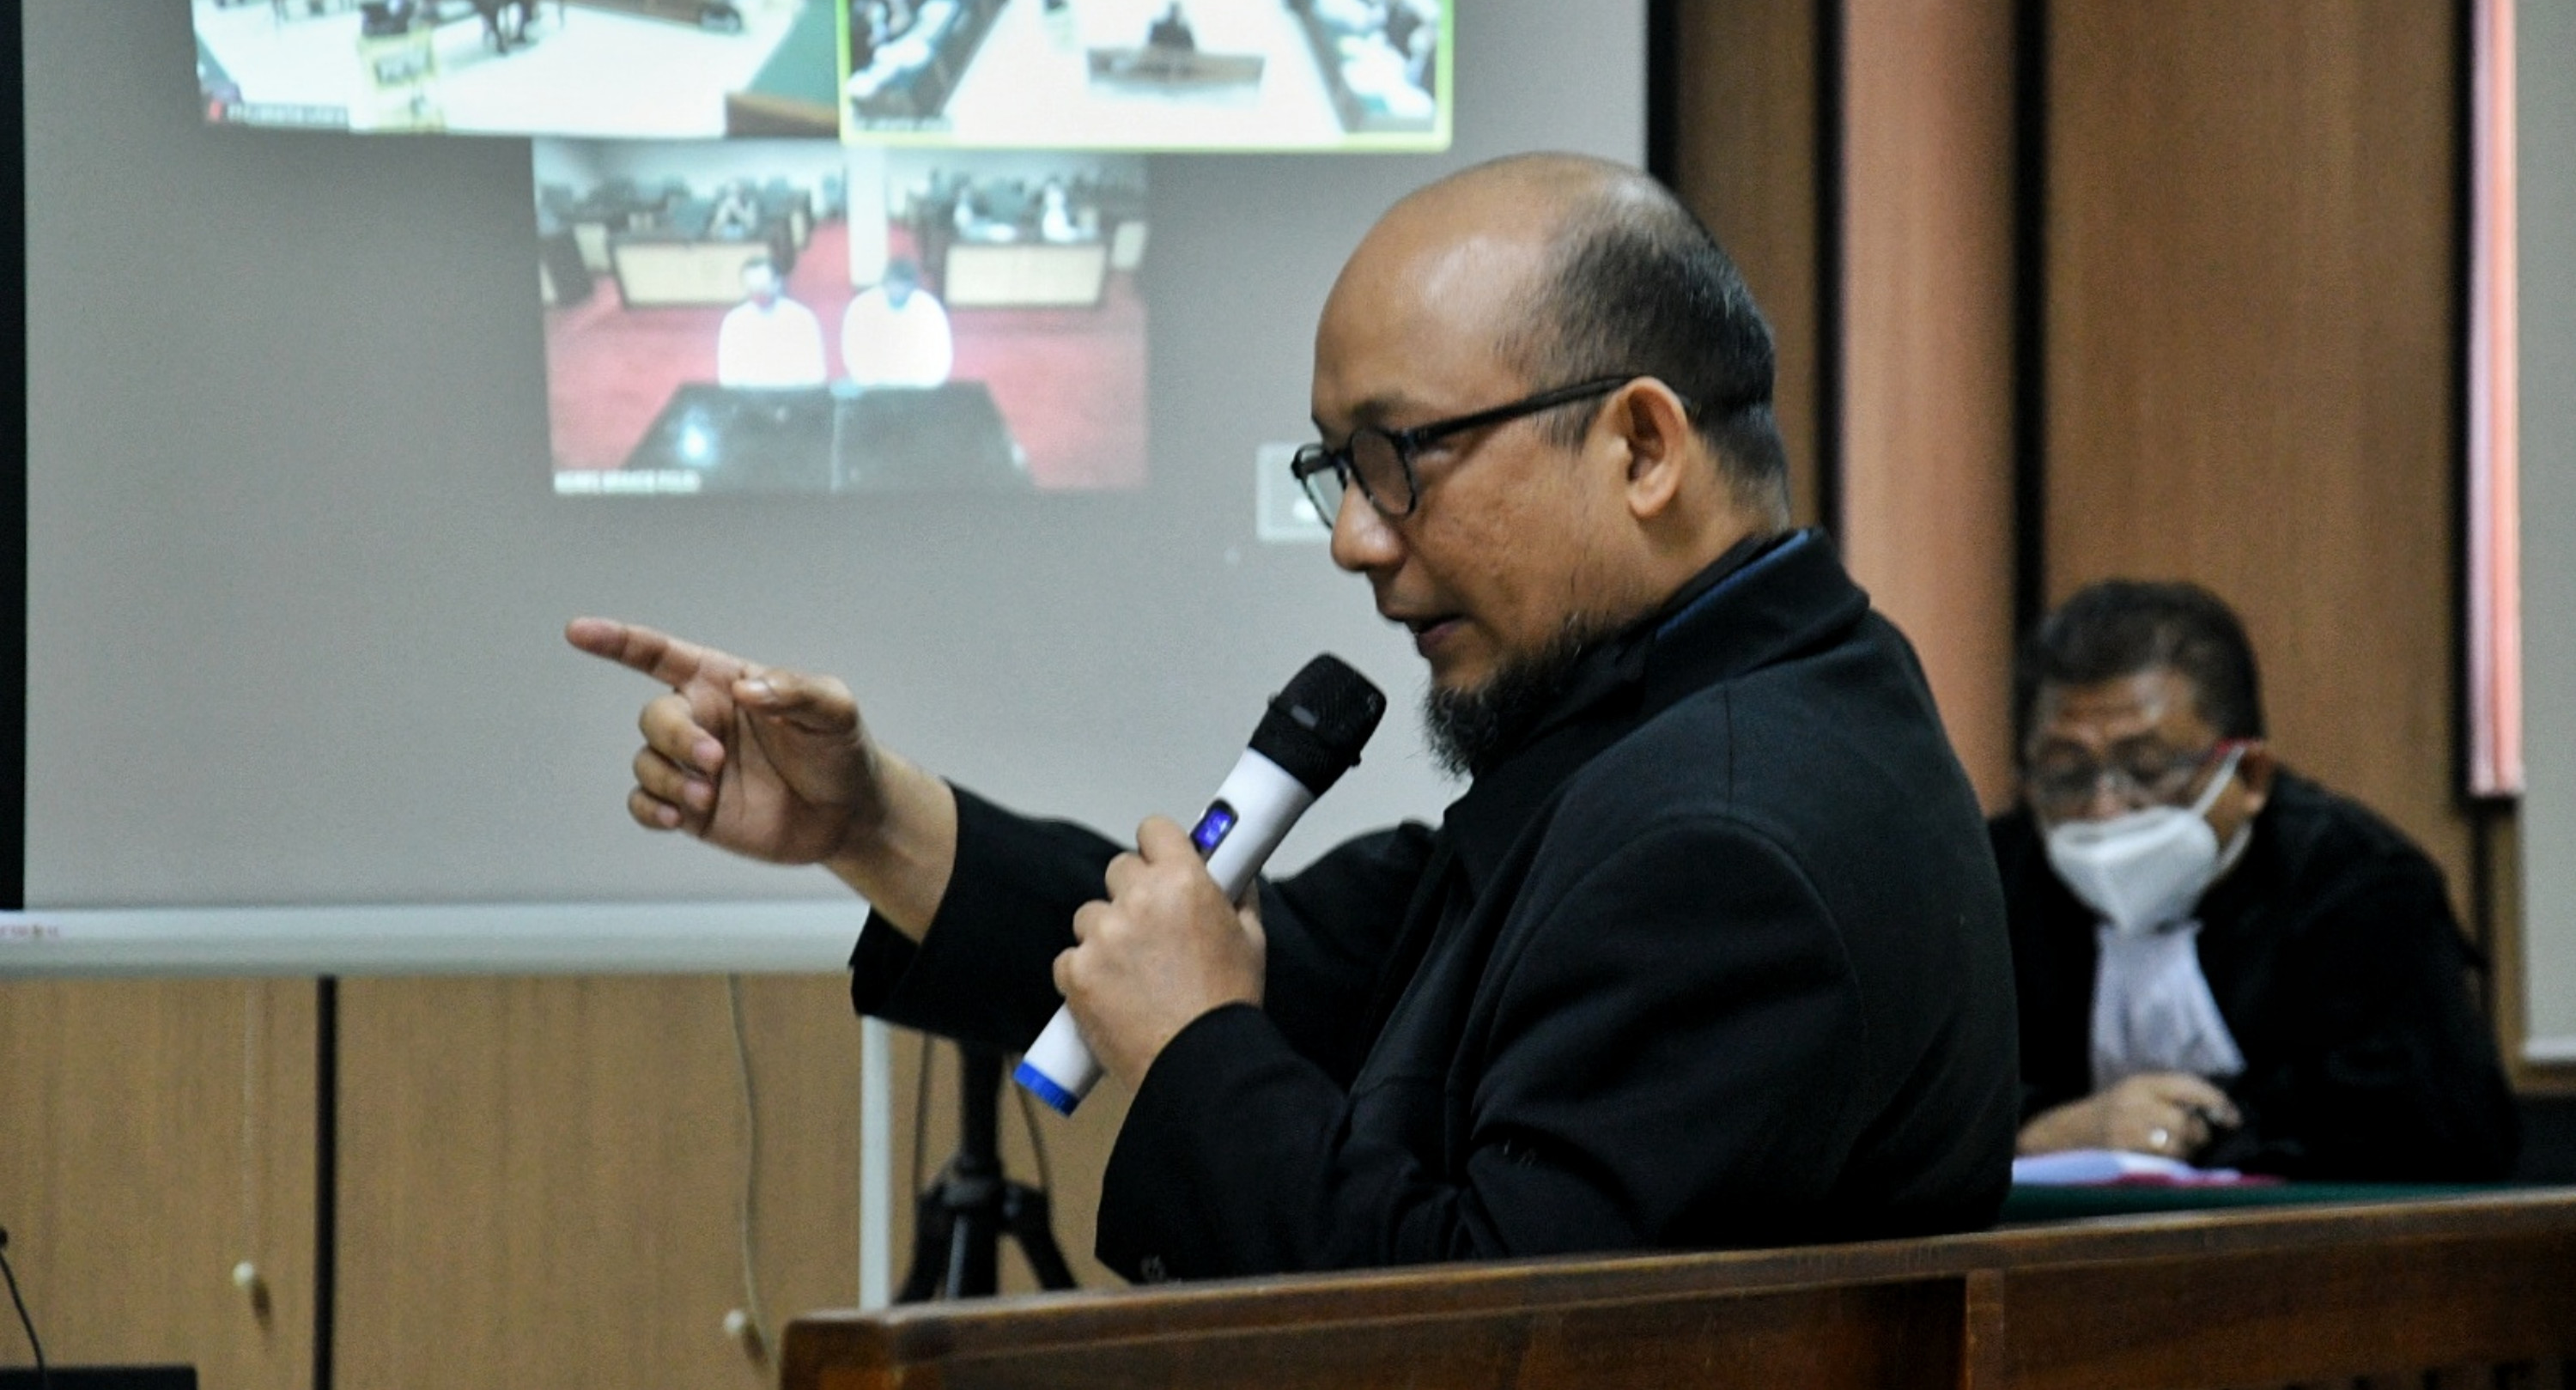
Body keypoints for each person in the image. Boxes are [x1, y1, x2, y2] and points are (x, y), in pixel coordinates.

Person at [568, 154, 2019, 1281]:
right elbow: (1262, 959)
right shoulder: (1687, 718)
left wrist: (1203, 1051)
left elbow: (1488, 1341)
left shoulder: (1724, 843)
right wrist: (868, 819)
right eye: (1342, 471)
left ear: (1641, 445)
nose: (1356, 540)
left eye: (1401, 459)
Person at [1990, 580, 2518, 1180]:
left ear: (2251, 773)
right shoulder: (1988, 883)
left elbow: (2439, 1125)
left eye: (2149, 768)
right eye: (2065, 774)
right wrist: (2042, 1128)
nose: (2105, 808)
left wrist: (2199, 1133)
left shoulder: (2358, 881)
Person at [838, 258, 954, 389]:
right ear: (885, 283)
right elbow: (853, 351)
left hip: (917, 390)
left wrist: (920, 384)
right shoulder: (862, 307)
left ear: (913, 286)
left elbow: (940, 355)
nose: (898, 290)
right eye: (894, 284)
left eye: (904, 285)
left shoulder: (929, 308)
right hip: (872, 388)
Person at [713, 258, 825, 390]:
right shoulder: (733, 321)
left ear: (777, 283)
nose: (758, 294)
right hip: (750, 400)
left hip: (794, 396)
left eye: (763, 287)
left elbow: (815, 373)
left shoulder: (802, 318)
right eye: (752, 289)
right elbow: (728, 376)